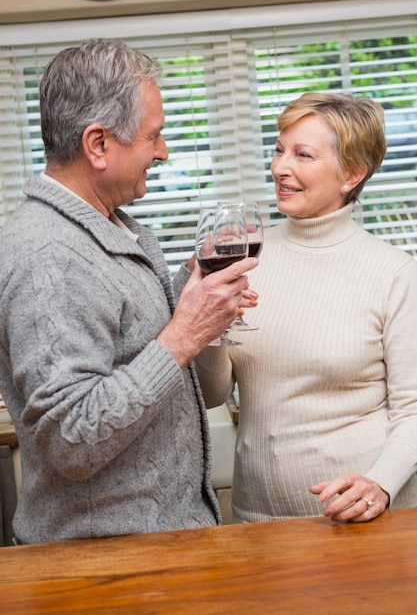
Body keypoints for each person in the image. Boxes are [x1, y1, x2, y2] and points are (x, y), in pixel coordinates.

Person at [0, 38, 258, 544]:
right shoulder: (49, 256)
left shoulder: (113, 228)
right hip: (107, 563)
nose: (162, 153)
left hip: (158, 546)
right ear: (98, 144)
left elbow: (132, 342)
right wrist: (185, 333)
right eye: (152, 137)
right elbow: (72, 438)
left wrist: (193, 282)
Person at [176, 91, 417, 524]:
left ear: (352, 175)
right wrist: (210, 325)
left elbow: (413, 410)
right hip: (259, 521)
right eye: (278, 150)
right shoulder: (245, 260)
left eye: (303, 155)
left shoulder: (395, 274)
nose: (279, 167)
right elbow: (212, 395)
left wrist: (379, 482)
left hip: (368, 522)